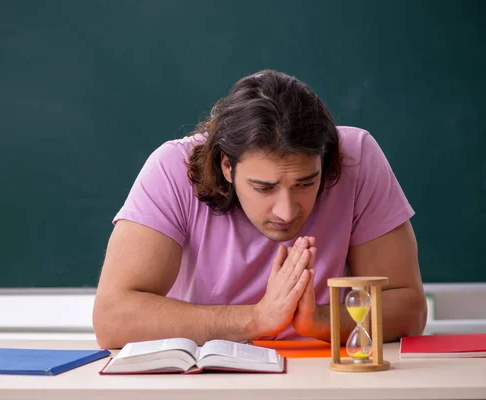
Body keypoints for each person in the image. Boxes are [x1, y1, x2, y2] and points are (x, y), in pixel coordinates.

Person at [93, 69, 427, 349]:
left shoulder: (357, 158)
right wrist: (258, 319)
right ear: (227, 166)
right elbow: (113, 318)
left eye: (305, 183)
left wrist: (319, 320)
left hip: (325, 378)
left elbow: (409, 308)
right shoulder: (171, 168)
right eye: (264, 188)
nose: (286, 211)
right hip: (207, 381)